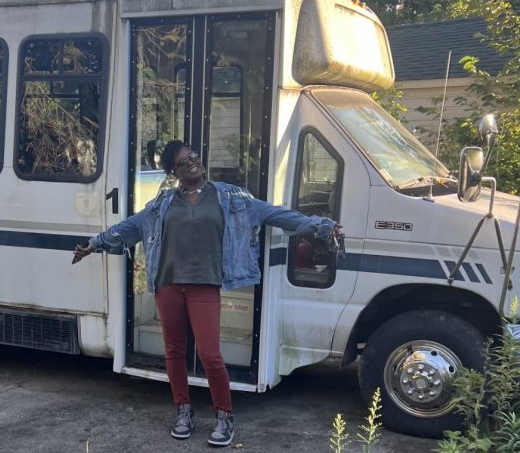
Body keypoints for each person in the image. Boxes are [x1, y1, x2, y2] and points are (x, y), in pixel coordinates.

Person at [73, 140, 341, 447]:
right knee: (174, 352)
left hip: (205, 286)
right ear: (174, 171)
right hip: (169, 284)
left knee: (210, 355)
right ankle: (183, 411)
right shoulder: (163, 204)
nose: (193, 163)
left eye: (195, 156)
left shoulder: (229, 197)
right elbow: (129, 228)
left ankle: (224, 416)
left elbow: (274, 214)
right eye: (184, 161)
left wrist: (321, 226)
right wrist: (94, 244)